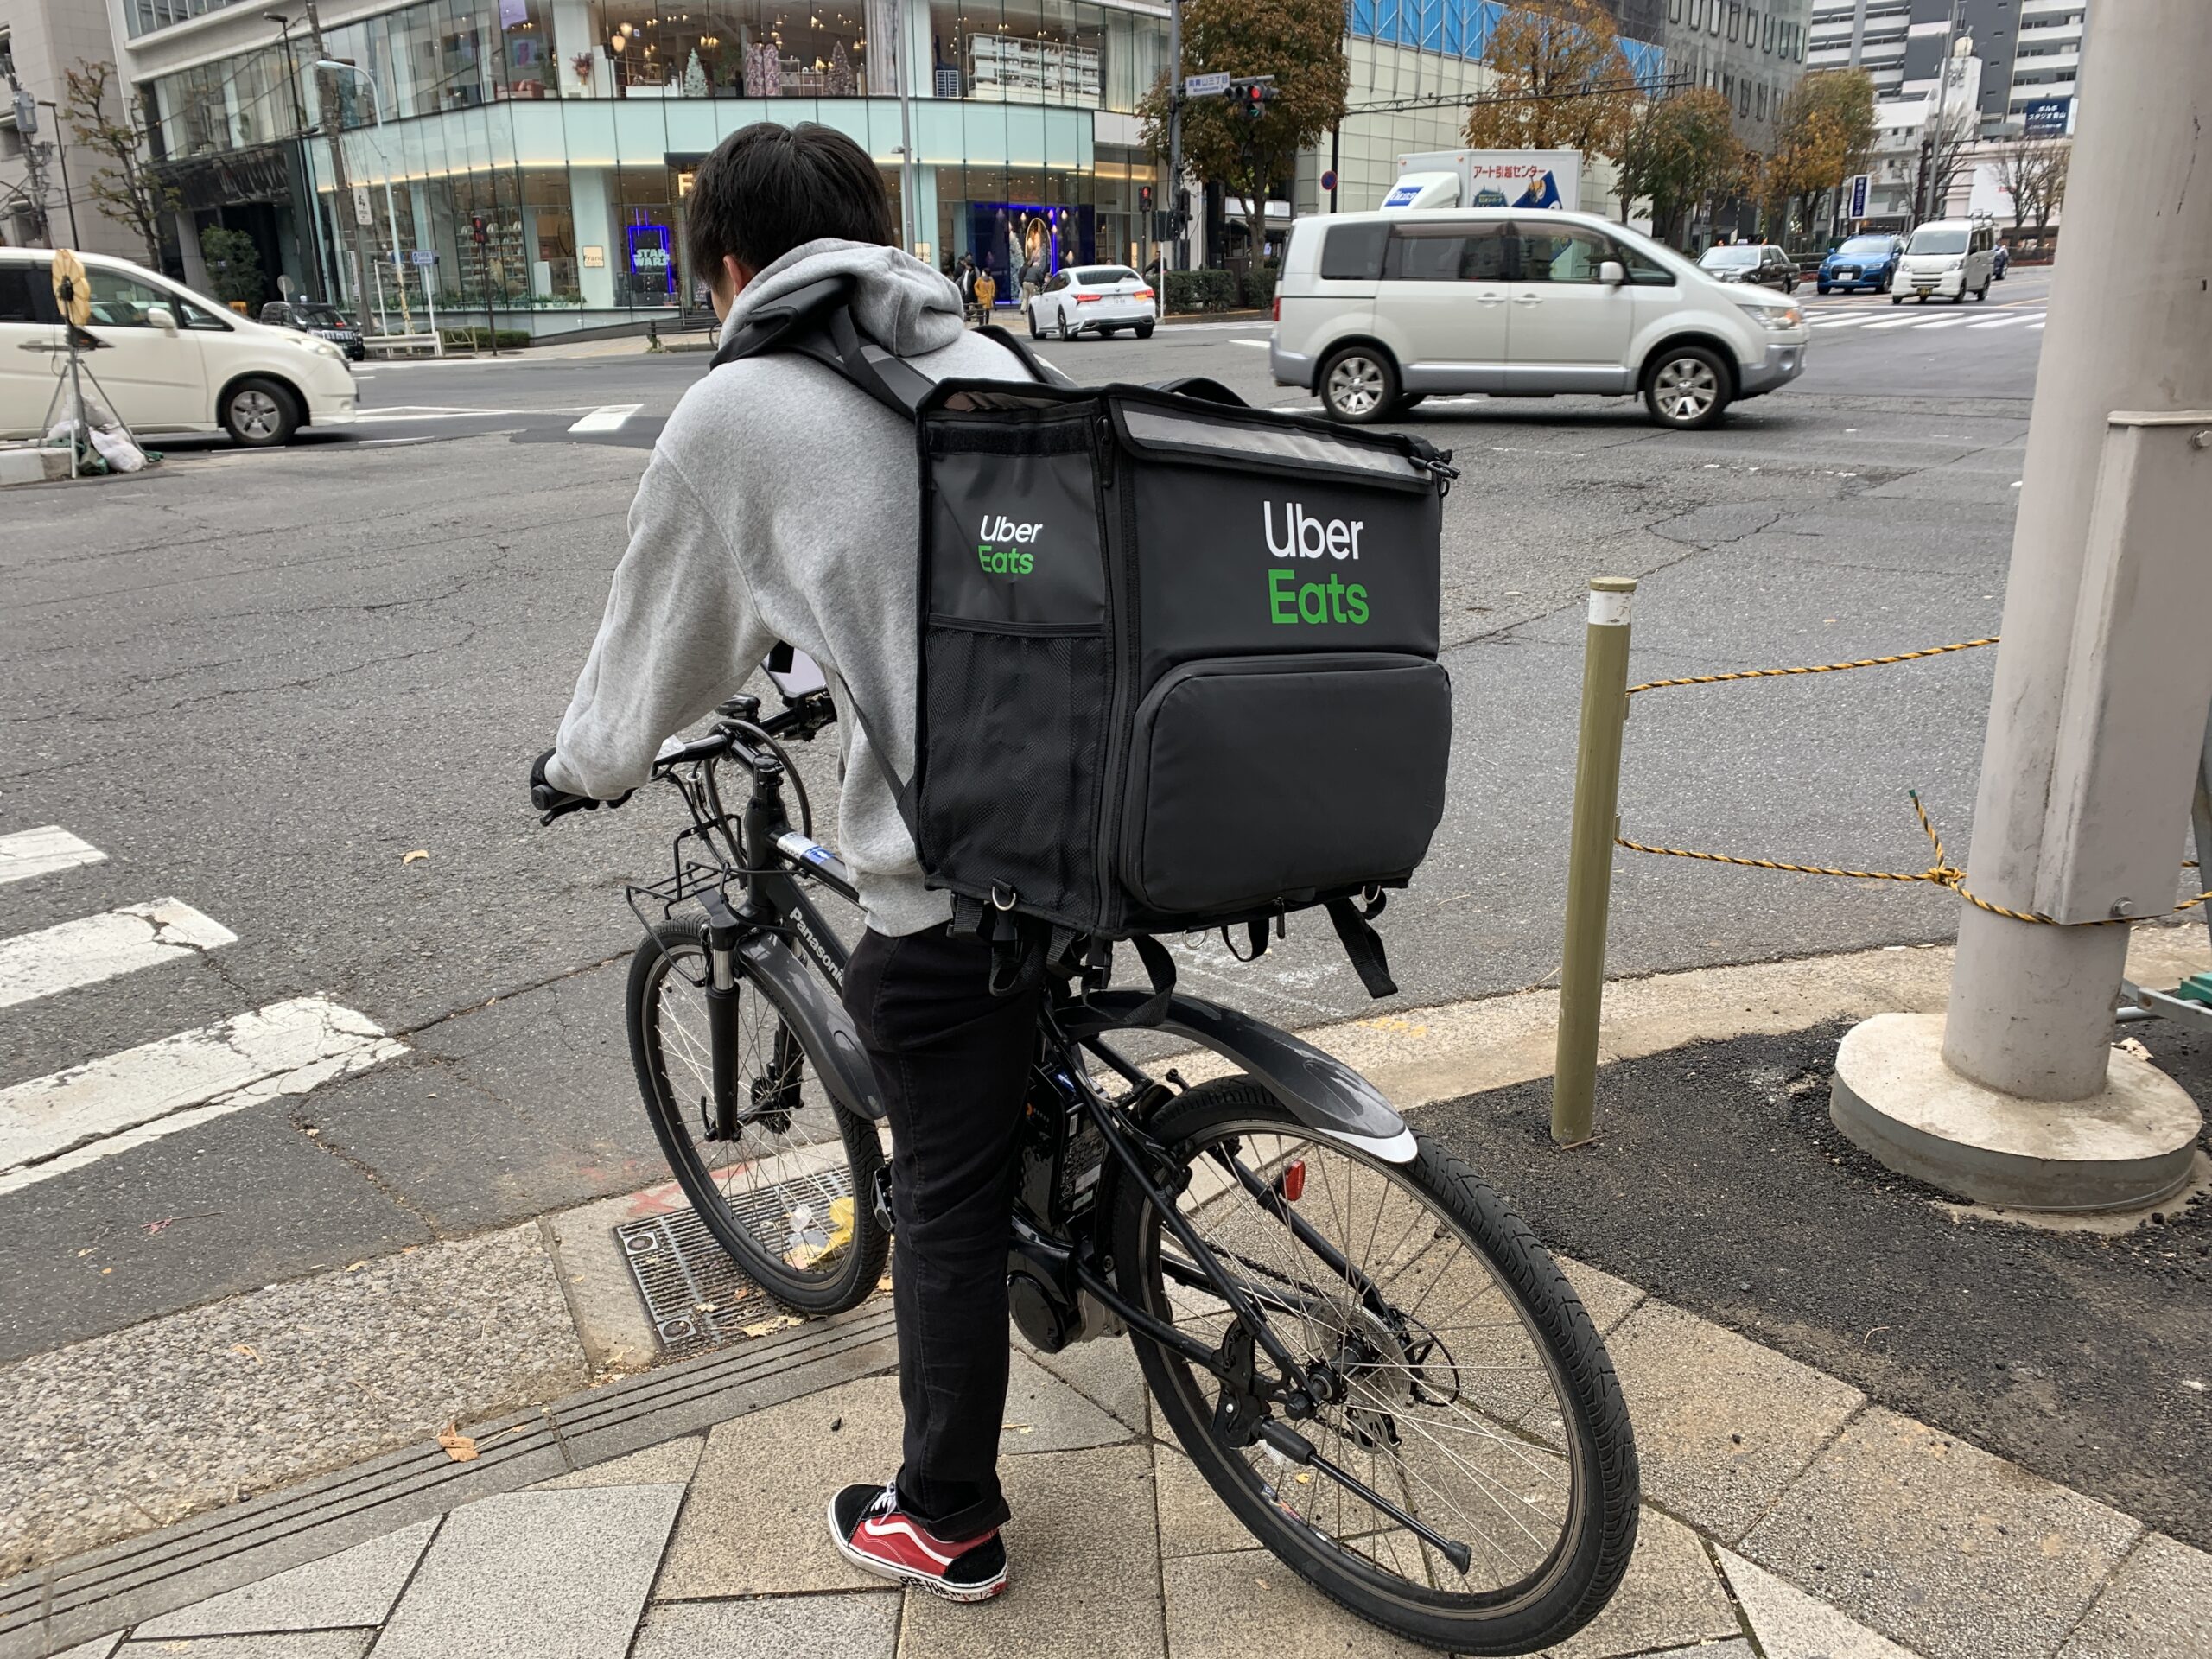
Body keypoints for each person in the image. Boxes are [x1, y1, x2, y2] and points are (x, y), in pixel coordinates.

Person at [532, 121, 1044, 1603]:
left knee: (941, 1190)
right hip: (1098, 813)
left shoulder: (739, 406)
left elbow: (657, 645)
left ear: (730, 265)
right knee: (1008, 1071)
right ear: (873, 233)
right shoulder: (985, 355)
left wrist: (582, 770)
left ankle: (943, 1518)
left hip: (959, 867)